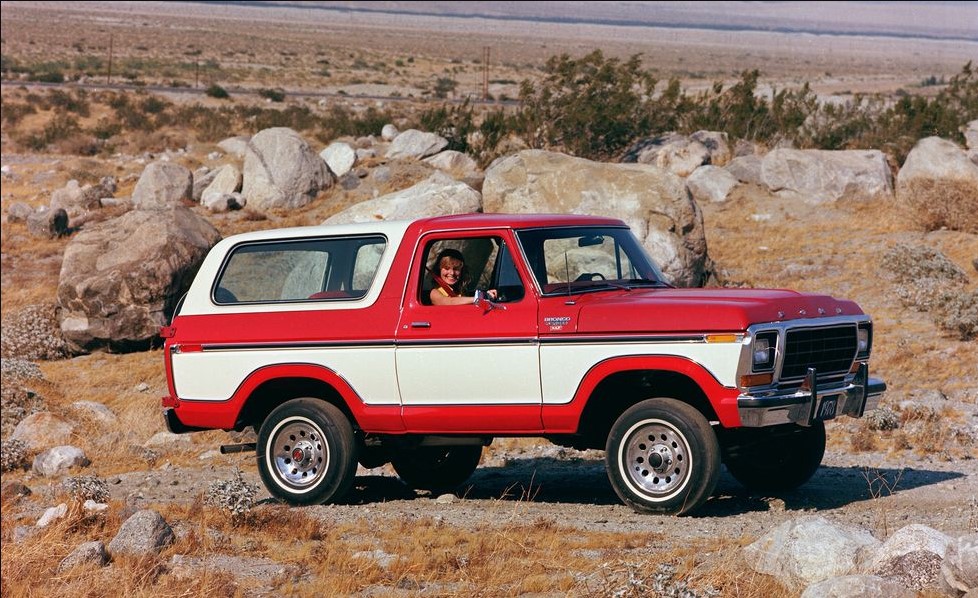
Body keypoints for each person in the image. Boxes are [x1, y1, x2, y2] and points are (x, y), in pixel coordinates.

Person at [428, 248, 497, 306]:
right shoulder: (435, 293)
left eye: (456, 269)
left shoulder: (462, 291)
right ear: (439, 270)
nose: (452, 273)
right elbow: (450, 302)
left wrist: (487, 295)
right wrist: (478, 298)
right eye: (447, 268)